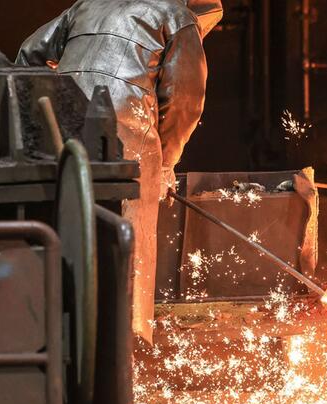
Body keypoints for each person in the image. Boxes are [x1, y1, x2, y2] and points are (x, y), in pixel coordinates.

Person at [17, 0, 223, 345]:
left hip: (64, 128)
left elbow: (28, 53)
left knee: (65, 232)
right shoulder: (178, 16)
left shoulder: (89, 4)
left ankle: (53, 338)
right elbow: (185, 101)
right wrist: (168, 164)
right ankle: (127, 347)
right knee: (130, 246)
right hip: (128, 133)